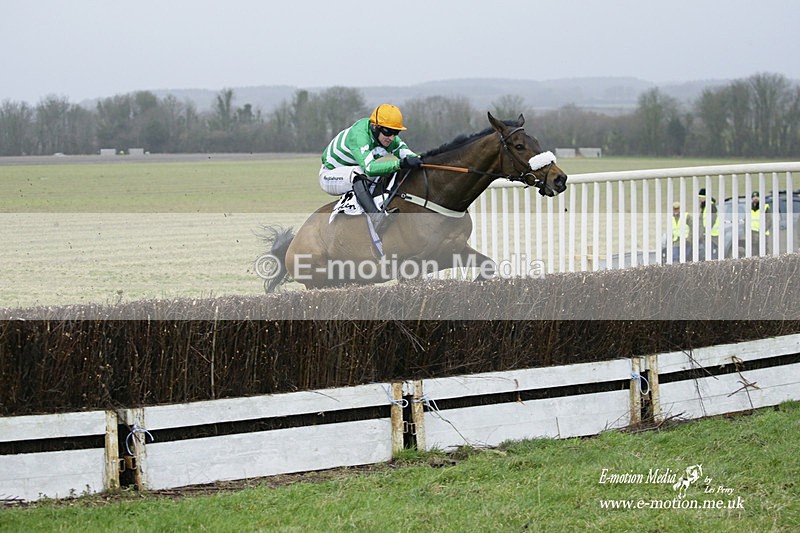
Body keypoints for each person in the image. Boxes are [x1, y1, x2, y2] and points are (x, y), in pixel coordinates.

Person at [319, 104, 422, 232]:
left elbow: (410, 156)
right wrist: (399, 164)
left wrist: (422, 161)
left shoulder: (388, 138)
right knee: (359, 173)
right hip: (330, 176)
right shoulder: (359, 135)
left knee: (386, 173)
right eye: (388, 132)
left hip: (355, 172)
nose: (391, 137)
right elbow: (370, 168)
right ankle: (376, 217)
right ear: (375, 126)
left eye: (396, 132)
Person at [698, 188, 719, 259]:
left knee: (710, 255)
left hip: (712, 235)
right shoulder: (706, 206)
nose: (699, 199)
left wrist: (706, 230)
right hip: (708, 234)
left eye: (700, 197)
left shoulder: (710, 206)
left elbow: (713, 219)